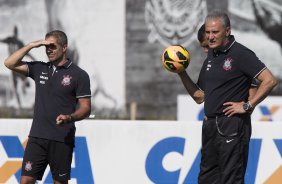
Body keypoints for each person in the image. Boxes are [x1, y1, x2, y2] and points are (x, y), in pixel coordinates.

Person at [177, 11, 277, 183]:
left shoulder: (241, 54)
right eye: (208, 32)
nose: (210, 37)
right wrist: (181, 72)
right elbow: (200, 97)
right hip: (210, 126)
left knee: (231, 180)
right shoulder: (211, 56)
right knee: (206, 179)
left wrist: (247, 105)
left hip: (231, 125)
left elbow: (269, 80)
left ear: (227, 31)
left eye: (215, 32)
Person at [4, 30, 91, 184]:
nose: (48, 50)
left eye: (53, 46)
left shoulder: (79, 75)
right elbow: (9, 63)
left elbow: (86, 108)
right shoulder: (39, 68)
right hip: (37, 137)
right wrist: (31, 45)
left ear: (64, 47)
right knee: (25, 181)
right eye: (46, 47)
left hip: (61, 139)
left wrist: (69, 117)